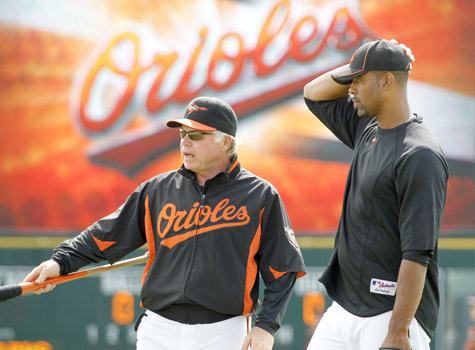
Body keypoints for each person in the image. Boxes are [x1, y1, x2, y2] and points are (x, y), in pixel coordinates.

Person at [24, 96, 306, 350]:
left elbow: (284, 270)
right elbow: (106, 234)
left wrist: (266, 327)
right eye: (183, 133)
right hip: (159, 329)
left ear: (226, 142)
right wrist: (60, 262)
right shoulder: (156, 190)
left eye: (195, 135)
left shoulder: (260, 195)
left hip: (225, 332)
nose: (185, 142)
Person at [303, 39, 449, 350]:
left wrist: (398, 330)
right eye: (350, 80)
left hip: (391, 315)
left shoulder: (420, 154)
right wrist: (363, 62)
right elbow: (313, 93)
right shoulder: (367, 127)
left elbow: (418, 253)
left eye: (359, 79)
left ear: (386, 81)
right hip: (345, 309)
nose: (350, 88)